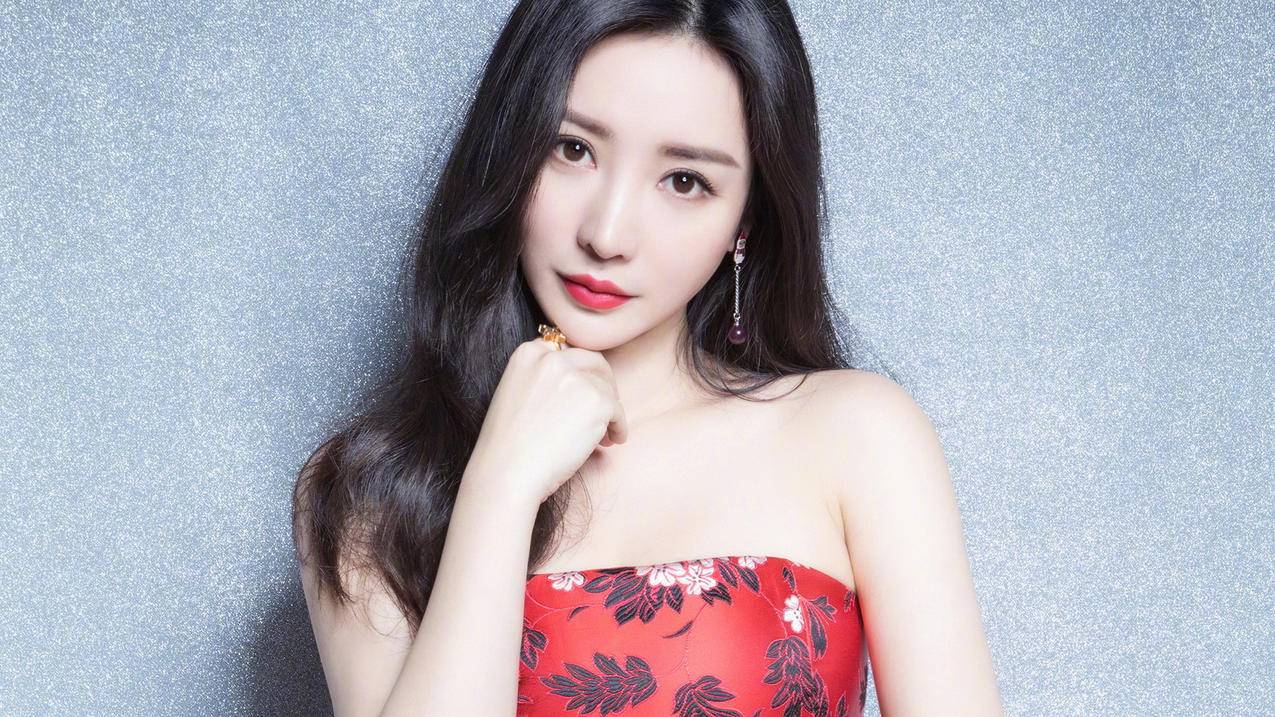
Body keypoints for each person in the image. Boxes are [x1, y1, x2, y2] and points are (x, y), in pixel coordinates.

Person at [292, 1, 1003, 715]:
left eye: (684, 180)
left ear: (746, 218)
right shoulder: (368, 494)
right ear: (509, 148)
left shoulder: (855, 433)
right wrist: (498, 488)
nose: (607, 235)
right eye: (572, 149)